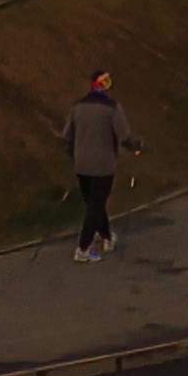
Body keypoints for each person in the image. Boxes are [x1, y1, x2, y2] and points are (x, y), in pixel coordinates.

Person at [65, 73, 131, 258]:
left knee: (94, 203)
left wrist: (73, 154)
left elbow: (66, 136)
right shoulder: (112, 108)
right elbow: (124, 136)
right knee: (95, 205)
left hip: (81, 164)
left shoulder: (77, 107)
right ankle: (83, 248)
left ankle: (107, 237)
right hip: (103, 164)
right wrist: (137, 145)